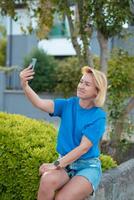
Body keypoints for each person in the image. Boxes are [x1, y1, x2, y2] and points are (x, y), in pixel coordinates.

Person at [20, 65, 107, 200]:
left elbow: (83, 148)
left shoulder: (98, 116)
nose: (81, 86)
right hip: (66, 164)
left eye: (87, 84)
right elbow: (40, 103)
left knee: (62, 198)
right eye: (81, 82)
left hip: (87, 166)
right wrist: (25, 85)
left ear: (97, 92)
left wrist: (55, 165)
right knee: (47, 180)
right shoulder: (68, 104)